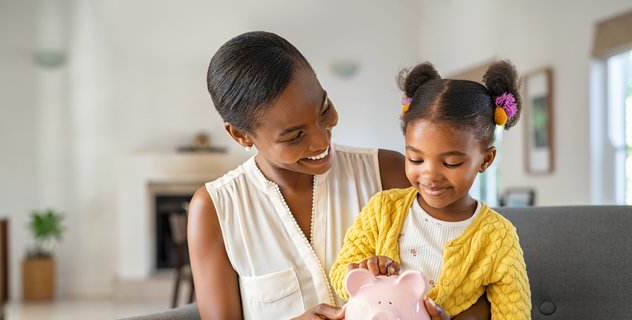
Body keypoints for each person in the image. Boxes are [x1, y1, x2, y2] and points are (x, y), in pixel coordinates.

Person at [188, 31, 490, 320]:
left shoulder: (389, 173)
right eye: (294, 136)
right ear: (240, 135)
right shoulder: (214, 210)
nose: (321, 142)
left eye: (324, 110)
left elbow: (476, 281)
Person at [330, 61, 532, 319]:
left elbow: (515, 315)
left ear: (486, 159)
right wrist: (363, 271)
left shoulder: (498, 237)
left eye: (451, 163)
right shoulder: (383, 209)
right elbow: (339, 275)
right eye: (415, 159)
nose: (429, 175)